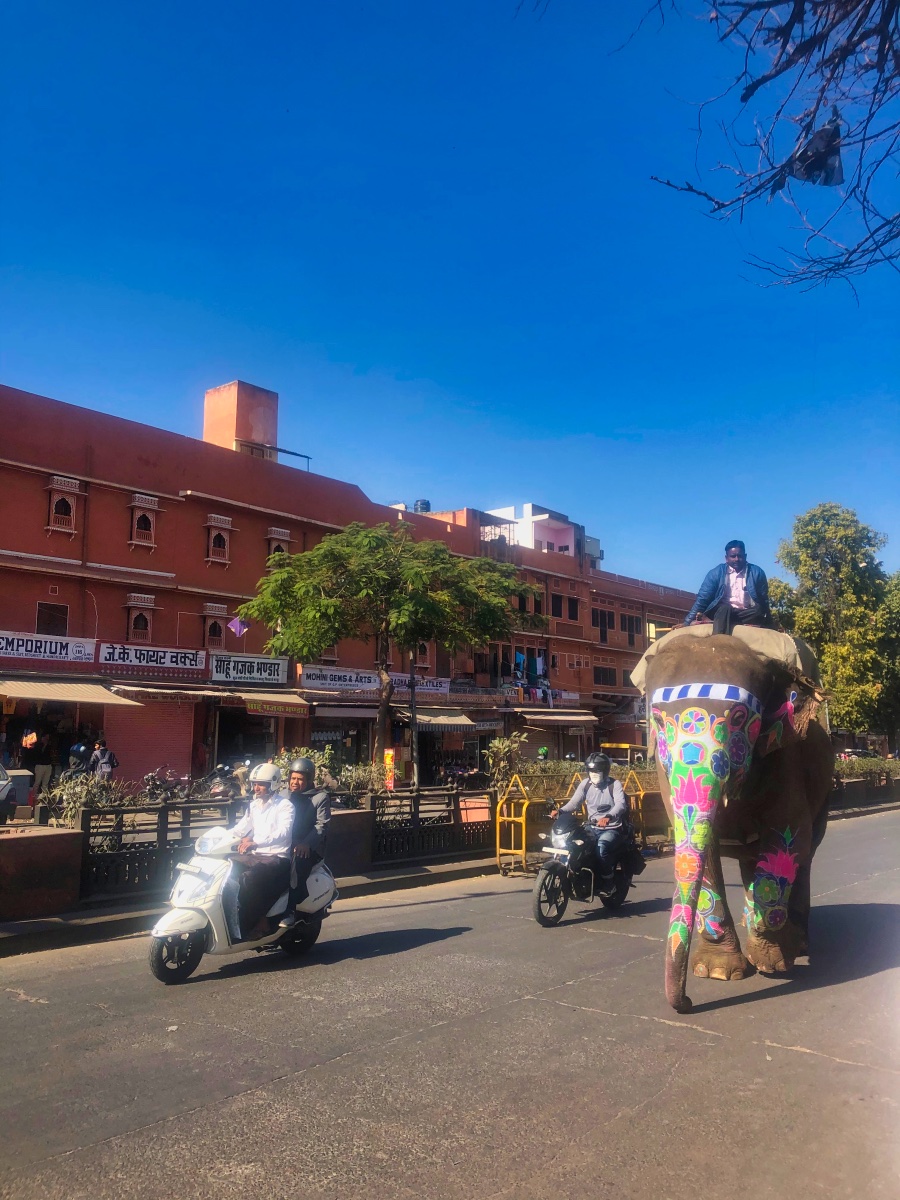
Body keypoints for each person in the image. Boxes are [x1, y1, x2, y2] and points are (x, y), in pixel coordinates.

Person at [228, 763, 294, 939]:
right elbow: (240, 829)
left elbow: (284, 832)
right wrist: (216, 838)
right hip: (255, 855)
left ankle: (260, 921)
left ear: (273, 784)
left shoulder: (285, 805)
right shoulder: (254, 805)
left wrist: (256, 842)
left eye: (261, 784)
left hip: (276, 857)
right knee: (227, 871)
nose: (256, 788)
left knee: (248, 879)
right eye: (255, 784)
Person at [553, 753, 627, 891]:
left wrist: (608, 817)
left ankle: (608, 882)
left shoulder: (614, 784)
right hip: (591, 827)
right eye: (591, 770)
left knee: (601, 849)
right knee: (573, 845)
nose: (594, 774)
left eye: (597, 770)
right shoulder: (585, 784)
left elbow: (620, 805)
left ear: (605, 771)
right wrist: (560, 811)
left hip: (611, 828)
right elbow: (574, 803)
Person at [279, 757, 332, 928]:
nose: (295, 782)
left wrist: (306, 843)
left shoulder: (320, 797)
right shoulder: (283, 795)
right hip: (285, 843)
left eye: (300, 779)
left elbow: (321, 825)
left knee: (297, 862)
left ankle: (290, 910)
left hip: (309, 847)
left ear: (309, 780)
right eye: (293, 778)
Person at [684, 540, 774, 634]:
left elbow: (764, 600)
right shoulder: (716, 573)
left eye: (740, 556)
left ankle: (714, 622)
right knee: (725, 609)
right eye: (733, 556)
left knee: (758, 610)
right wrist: (686, 623)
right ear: (726, 558)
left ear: (745, 556)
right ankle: (719, 639)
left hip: (745, 613)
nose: (736, 559)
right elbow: (702, 599)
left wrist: (770, 624)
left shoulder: (757, 573)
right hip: (722, 611)